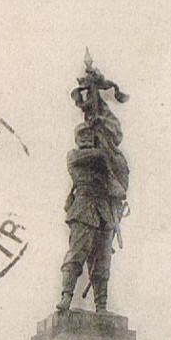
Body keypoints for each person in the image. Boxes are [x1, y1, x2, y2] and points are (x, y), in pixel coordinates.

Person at [56, 124, 127, 314]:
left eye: (90, 134)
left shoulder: (105, 160)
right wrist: (103, 154)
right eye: (82, 134)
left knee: (102, 262)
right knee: (76, 255)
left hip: (104, 215)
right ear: (76, 138)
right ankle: (66, 297)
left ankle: (101, 306)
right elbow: (93, 157)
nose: (86, 137)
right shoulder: (75, 156)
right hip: (83, 210)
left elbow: (120, 188)